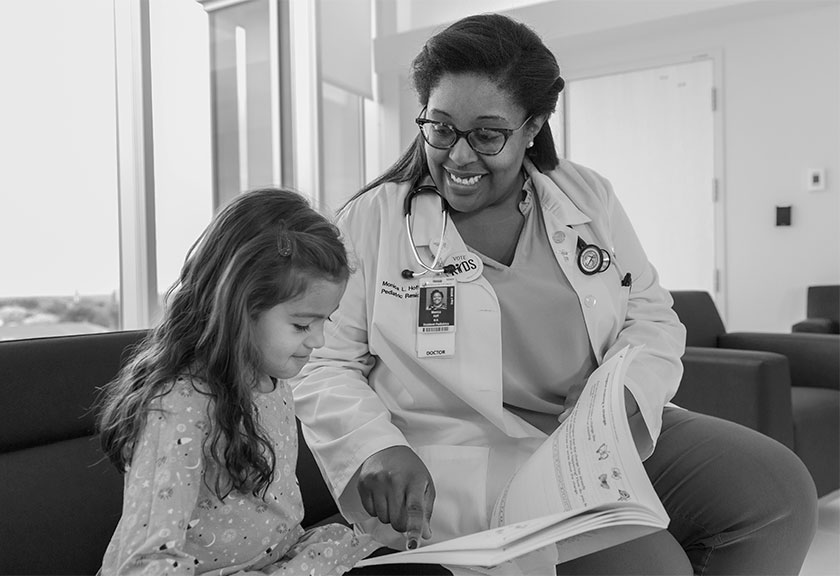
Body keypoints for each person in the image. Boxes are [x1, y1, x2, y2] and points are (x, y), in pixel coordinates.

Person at [291, 13, 818, 576]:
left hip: (597, 434)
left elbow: (651, 315)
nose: (459, 156)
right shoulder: (375, 220)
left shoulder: (585, 196)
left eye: (488, 134)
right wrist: (371, 444)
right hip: (468, 456)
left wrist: (632, 397)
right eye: (440, 128)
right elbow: (324, 359)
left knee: (778, 495)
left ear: (534, 125)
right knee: (650, 567)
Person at [96, 188, 380, 576]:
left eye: (324, 321)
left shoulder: (270, 379)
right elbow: (145, 565)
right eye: (301, 324)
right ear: (239, 308)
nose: (318, 340)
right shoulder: (177, 405)